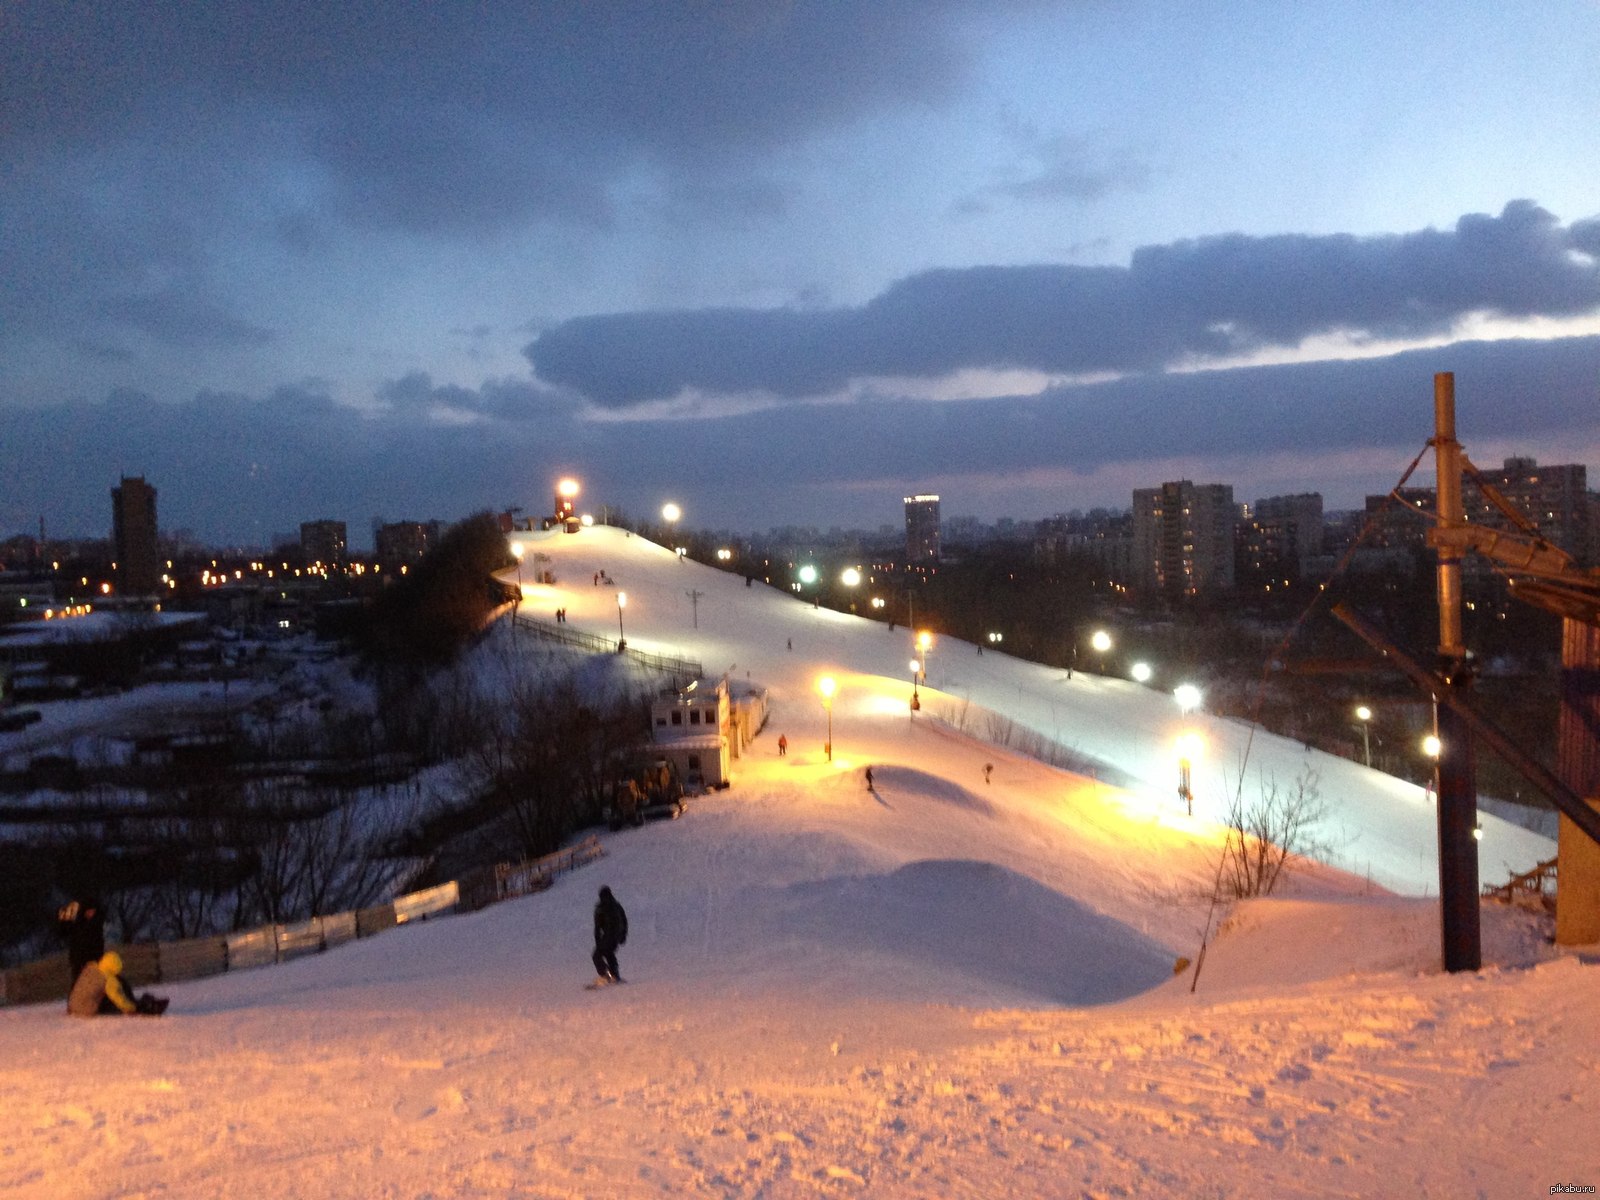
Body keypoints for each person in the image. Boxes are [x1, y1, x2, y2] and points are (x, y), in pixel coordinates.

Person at [67, 951, 167, 1017]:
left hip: (73, 1007)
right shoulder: (108, 979)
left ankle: (139, 1001)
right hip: (86, 1011)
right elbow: (118, 999)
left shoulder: (91, 968)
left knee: (109, 990)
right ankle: (146, 1006)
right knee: (119, 996)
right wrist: (133, 1008)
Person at [58, 895, 107, 986]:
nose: (91, 913)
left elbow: (91, 931)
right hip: (78, 961)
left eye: (93, 911)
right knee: (78, 986)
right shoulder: (78, 923)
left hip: (94, 960)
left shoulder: (96, 923)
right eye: (88, 911)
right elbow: (63, 933)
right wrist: (64, 921)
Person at [592, 886, 628, 984]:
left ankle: (605, 975)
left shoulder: (601, 908)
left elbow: (597, 927)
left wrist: (598, 941)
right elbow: (624, 921)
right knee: (609, 954)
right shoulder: (617, 905)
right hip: (616, 937)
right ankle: (615, 975)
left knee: (596, 955)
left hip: (608, 937)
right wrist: (623, 935)